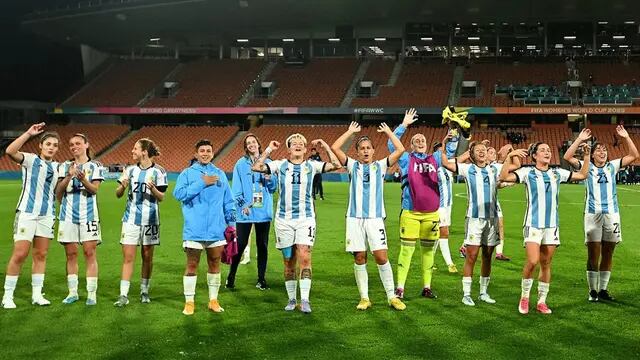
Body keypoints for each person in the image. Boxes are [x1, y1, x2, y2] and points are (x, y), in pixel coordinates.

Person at [252, 133, 341, 313]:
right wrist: (268, 149)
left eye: (301, 143)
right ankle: (292, 299)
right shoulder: (280, 165)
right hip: (284, 221)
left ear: (306, 148)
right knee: (288, 261)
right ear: (289, 148)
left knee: (305, 255)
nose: (298, 145)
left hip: (305, 219)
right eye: (294, 143)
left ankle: (305, 300)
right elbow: (256, 167)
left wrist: (324, 144)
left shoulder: (312, 165)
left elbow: (337, 164)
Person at [500, 142, 590, 315]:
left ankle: (542, 301)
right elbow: (504, 176)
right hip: (533, 224)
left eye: (549, 150)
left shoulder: (557, 173)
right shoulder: (527, 172)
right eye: (543, 150)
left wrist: (586, 156)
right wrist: (510, 157)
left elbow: (583, 175)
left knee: (546, 263)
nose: (547, 152)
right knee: (533, 261)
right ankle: (524, 297)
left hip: (551, 225)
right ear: (534, 156)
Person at [331, 122, 406, 311]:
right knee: (359, 257)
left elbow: (400, 149)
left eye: (368, 148)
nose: (365, 151)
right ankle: (364, 297)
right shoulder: (351, 166)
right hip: (354, 219)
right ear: (357, 152)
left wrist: (388, 131)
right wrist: (350, 132)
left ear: (373, 151)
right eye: (362, 148)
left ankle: (392, 296)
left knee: (381, 256)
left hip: (375, 219)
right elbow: (335, 147)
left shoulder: (381, 165)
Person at [563, 127, 638, 302]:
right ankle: (592, 291)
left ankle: (603, 289)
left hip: (612, 215)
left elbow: (634, 155)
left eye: (604, 149)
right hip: (592, 215)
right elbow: (567, 157)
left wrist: (626, 137)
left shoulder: (613, 166)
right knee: (593, 253)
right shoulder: (585, 166)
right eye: (598, 150)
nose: (602, 152)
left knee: (609, 252)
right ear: (593, 154)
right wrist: (579, 140)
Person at [440, 138, 518, 306]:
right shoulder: (467, 169)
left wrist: (512, 154)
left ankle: (483, 292)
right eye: (478, 150)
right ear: (472, 155)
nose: (482, 151)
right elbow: (445, 162)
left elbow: (515, 167)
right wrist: (444, 143)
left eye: (484, 149)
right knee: (472, 256)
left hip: (492, 219)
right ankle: (466, 294)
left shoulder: (494, 169)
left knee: (488, 256)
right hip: (474, 219)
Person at [173, 139, 236, 315]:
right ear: (196, 154)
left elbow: (228, 201)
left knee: (215, 264)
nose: (205, 153)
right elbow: (179, 194)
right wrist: (202, 182)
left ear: (213, 153)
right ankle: (189, 302)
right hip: (194, 230)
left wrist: (231, 225)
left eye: (208, 150)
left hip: (216, 230)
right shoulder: (187, 173)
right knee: (192, 265)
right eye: (202, 150)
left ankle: (213, 300)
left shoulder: (220, 174)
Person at [2, 123, 59, 309]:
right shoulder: (31, 159)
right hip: (27, 213)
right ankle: (7, 296)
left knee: (41, 254)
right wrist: (28, 133)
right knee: (20, 254)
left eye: (55, 145)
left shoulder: (58, 168)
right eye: (48, 143)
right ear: (40, 146)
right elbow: (10, 151)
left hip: (47, 215)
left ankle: (36, 294)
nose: (51, 147)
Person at [389, 108, 443, 300]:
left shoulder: (435, 158)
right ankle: (400, 288)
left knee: (428, 251)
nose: (420, 142)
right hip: (410, 212)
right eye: (416, 140)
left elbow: (450, 149)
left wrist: (453, 132)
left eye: (422, 140)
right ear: (411, 146)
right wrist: (404, 125)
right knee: (407, 250)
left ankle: (427, 287)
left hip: (431, 214)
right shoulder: (405, 158)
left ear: (427, 144)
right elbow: (391, 144)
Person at [114, 138, 168, 307]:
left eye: (135, 148)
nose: (132, 151)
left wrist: (153, 189)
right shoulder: (129, 170)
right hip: (130, 219)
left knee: (147, 256)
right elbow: (118, 194)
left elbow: (162, 197)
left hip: (151, 219)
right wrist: (122, 186)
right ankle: (123, 294)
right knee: (128, 257)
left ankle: (144, 290)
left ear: (144, 151)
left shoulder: (159, 171)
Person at [55, 133, 105, 305]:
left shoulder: (95, 166)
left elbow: (94, 190)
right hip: (67, 216)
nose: (74, 146)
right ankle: (73, 292)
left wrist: (83, 179)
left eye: (77, 143)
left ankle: (92, 294)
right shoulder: (64, 166)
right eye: (71, 144)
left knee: (89, 253)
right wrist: (69, 176)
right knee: (71, 254)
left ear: (86, 145)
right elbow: (58, 192)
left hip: (89, 215)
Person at [227, 133, 277, 291]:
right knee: (240, 245)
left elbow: (273, 189)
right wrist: (242, 205)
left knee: (262, 245)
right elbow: (235, 189)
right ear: (246, 147)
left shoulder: (269, 163)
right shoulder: (240, 164)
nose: (251, 145)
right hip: (245, 211)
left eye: (253, 142)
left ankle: (261, 279)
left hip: (263, 211)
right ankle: (231, 276)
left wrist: (270, 180)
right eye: (248, 143)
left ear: (258, 144)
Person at [433, 142, 459, 274]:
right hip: (439, 206)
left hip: (448, 205)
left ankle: (430, 261)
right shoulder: (434, 170)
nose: (444, 156)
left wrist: (472, 148)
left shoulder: (448, 168)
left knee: (438, 234)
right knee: (444, 233)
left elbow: (460, 159)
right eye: (441, 153)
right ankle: (450, 263)